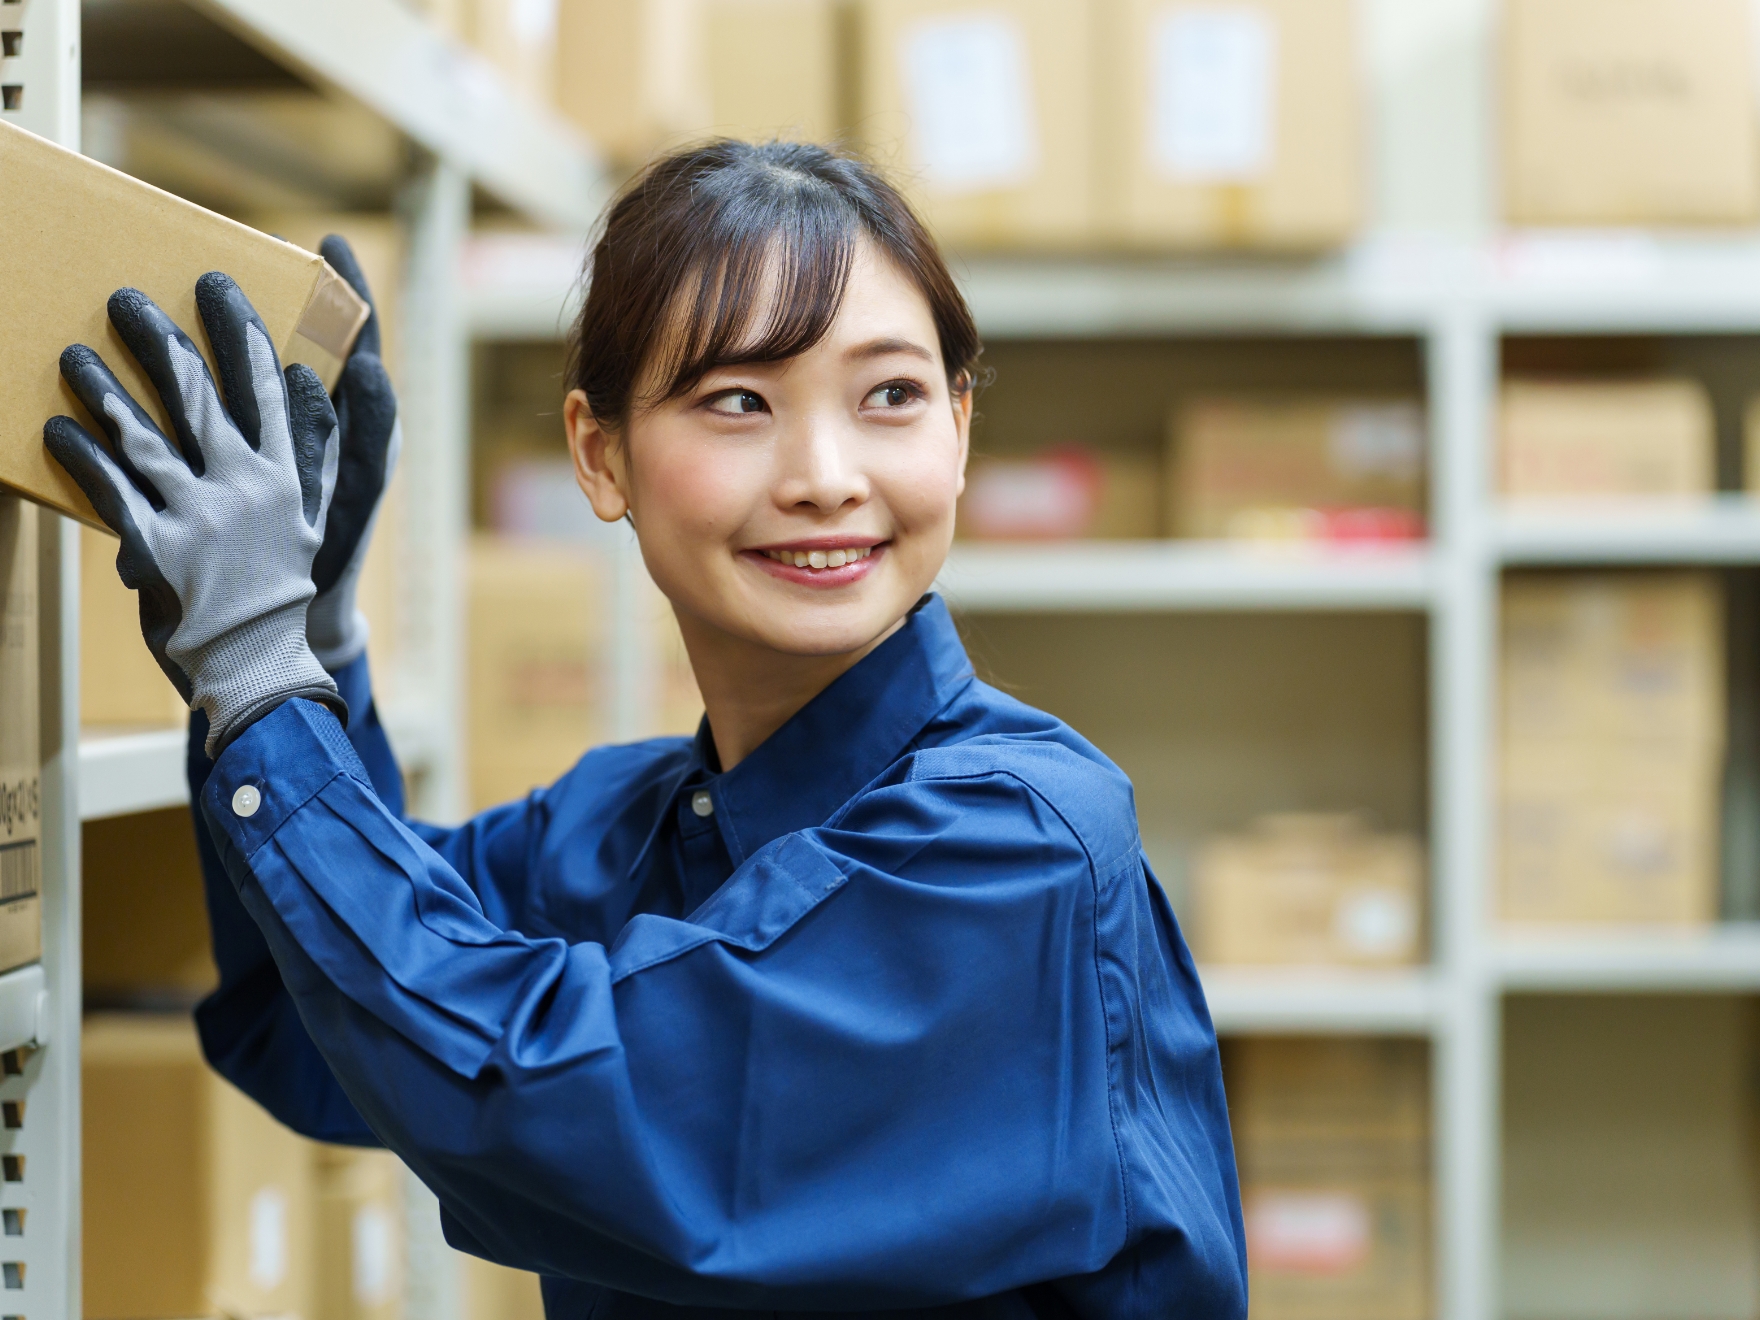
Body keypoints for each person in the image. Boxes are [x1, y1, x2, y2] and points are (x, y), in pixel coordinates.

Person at [47, 140, 1247, 1318]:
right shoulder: (612, 835)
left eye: (891, 395)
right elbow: (314, 1030)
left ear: (960, 428)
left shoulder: (1013, 844)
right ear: (599, 453)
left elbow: (548, 1098)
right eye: (738, 401)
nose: (825, 475)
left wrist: (258, 667)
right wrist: (308, 643)